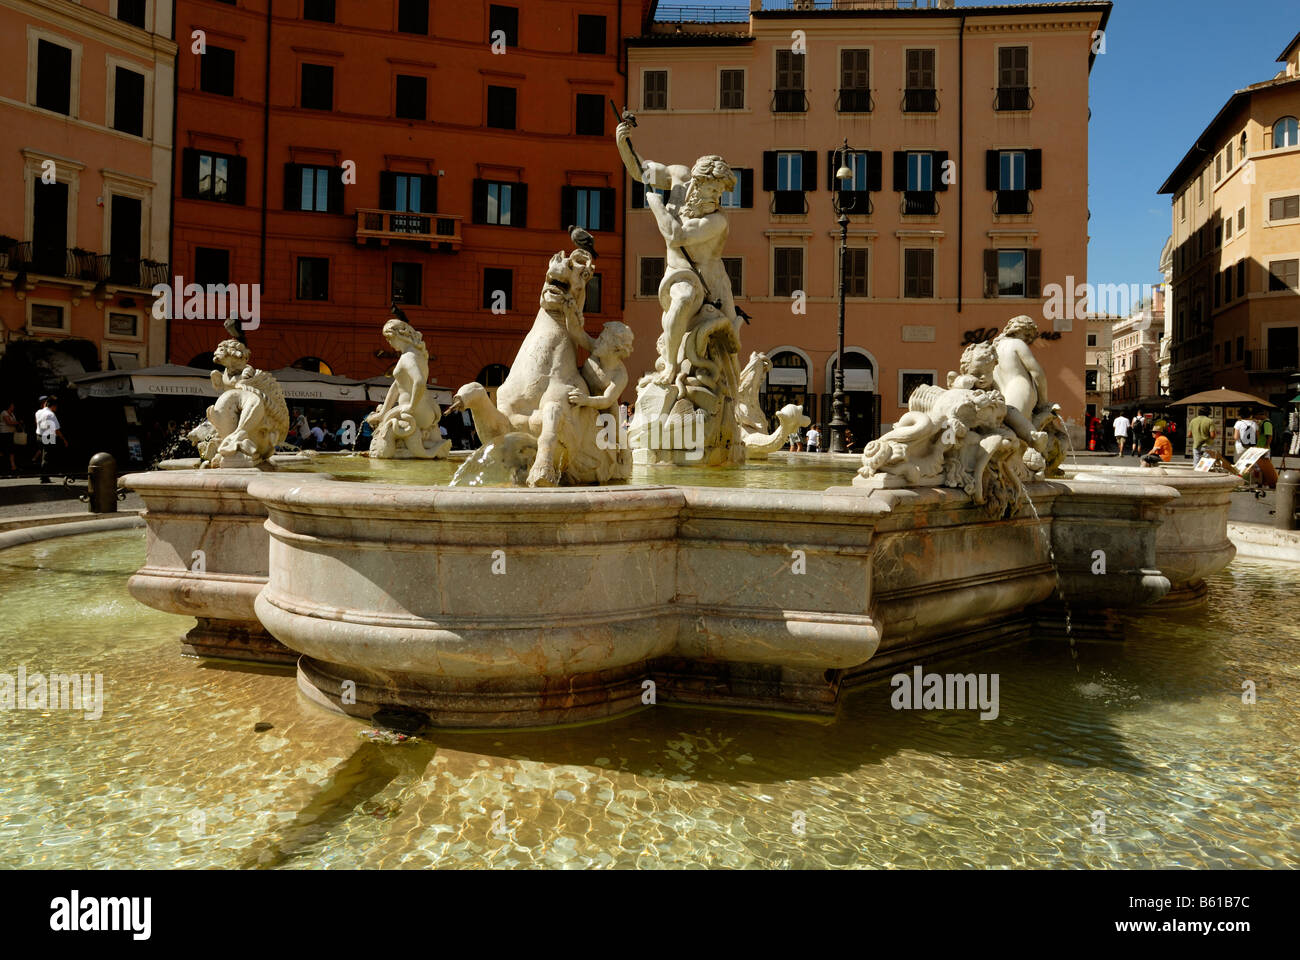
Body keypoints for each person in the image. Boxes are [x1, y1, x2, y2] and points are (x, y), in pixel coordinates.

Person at [35, 396, 67, 483]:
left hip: (39, 435)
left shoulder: (38, 412)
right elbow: (56, 430)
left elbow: (37, 423)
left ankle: (44, 475)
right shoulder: (51, 414)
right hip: (48, 436)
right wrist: (64, 440)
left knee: (44, 456)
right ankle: (44, 477)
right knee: (47, 457)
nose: (56, 408)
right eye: (56, 407)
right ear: (53, 406)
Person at [0, 401, 19, 474]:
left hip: (11, 433)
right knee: (6, 450)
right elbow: (9, 422)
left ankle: (12, 465)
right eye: (12, 406)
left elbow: (13, 422)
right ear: (9, 406)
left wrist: (16, 423)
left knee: (11, 450)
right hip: (5, 434)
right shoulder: (4, 413)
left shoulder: (12, 414)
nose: (13, 407)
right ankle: (6, 466)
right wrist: (18, 423)